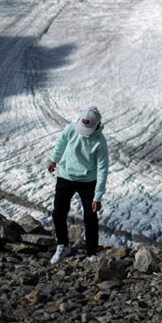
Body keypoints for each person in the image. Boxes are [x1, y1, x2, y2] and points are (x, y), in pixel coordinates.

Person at [47, 106, 110, 263]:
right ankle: (62, 245)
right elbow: (61, 143)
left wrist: (98, 197)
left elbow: (103, 169)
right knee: (58, 212)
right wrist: (54, 159)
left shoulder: (100, 142)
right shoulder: (70, 129)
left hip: (87, 181)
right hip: (66, 177)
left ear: (97, 125)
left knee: (90, 217)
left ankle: (91, 252)